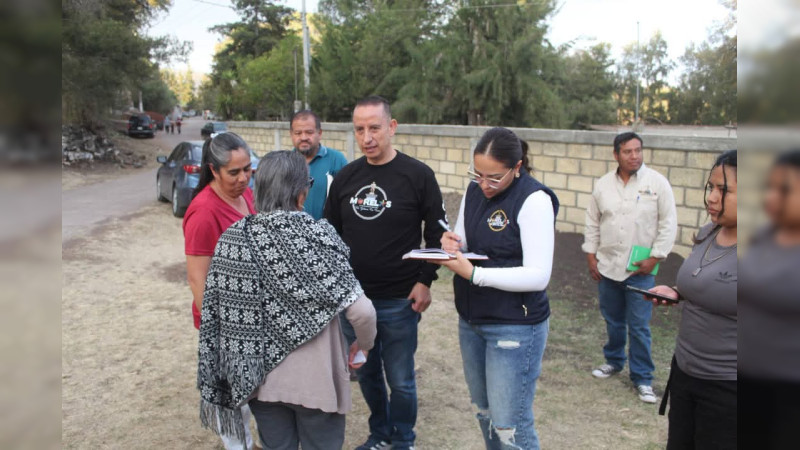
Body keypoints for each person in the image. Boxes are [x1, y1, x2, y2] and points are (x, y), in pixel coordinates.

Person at [197, 151, 377, 450]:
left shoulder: (234, 237)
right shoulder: (318, 237)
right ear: (301, 191)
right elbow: (363, 312)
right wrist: (364, 345)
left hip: (261, 382)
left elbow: (219, 313)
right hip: (317, 382)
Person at [323, 96, 446, 450]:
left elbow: (436, 234)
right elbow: (330, 235)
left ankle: (403, 439)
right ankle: (379, 434)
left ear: (391, 127)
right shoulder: (346, 177)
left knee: (402, 379)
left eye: (374, 127)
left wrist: (425, 280)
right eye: (359, 129)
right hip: (353, 301)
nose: (367, 137)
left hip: (400, 301)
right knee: (366, 373)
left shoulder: (418, 175)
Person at [438, 127, 559, 450]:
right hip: (473, 319)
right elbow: (464, 238)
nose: (484, 184)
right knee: (486, 414)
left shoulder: (535, 200)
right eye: (478, 174)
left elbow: (538, 275)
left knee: (511, 427)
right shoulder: (475, 191)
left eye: (494, 178)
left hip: (514, 327)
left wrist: (476, 275)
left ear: (517, 168)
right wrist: (451, 241)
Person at [646, 150, 737, 449]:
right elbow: (707, 280)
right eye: (710, 187)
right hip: (685, 373)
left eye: (723, 190)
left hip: (728, 390)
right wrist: (678, 292)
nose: (712, 197)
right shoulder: (709, 232)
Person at [582, 132, 677, 403]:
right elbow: (592, 221)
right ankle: (613, 361)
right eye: (627, 152)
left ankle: (643, 378)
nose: (634, 156)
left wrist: (656, 257)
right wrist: (590, 254)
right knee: (613, 320)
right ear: (616, 155)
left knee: (638, 325)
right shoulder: (602, 186)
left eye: (638, 150)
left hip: (641, 270)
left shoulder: (657, 183)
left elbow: (668, 223)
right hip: (608, 266)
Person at [183, 132, 256, 450]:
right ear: (213, 170)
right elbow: (197, 279)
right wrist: (219, 329)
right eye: (234, 172)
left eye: (248, 169)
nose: (243, 178)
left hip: (250, 314)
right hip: (224, 321)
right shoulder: (204, 212)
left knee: (252, 388)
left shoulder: (247, 195)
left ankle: (250, 441)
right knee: (231, 395)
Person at [739, 150, 800, 449]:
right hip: (749, 385)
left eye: (784, 189)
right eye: (770, 188)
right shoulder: (765, 236)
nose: (771, 198)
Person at [290, 109, 348, 219]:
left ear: (319, 133)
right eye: (298, 133)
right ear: (291, 134)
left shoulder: (336, 160)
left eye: (309, 132)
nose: (303, 137)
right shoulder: (285, 163)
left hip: (327, 233)